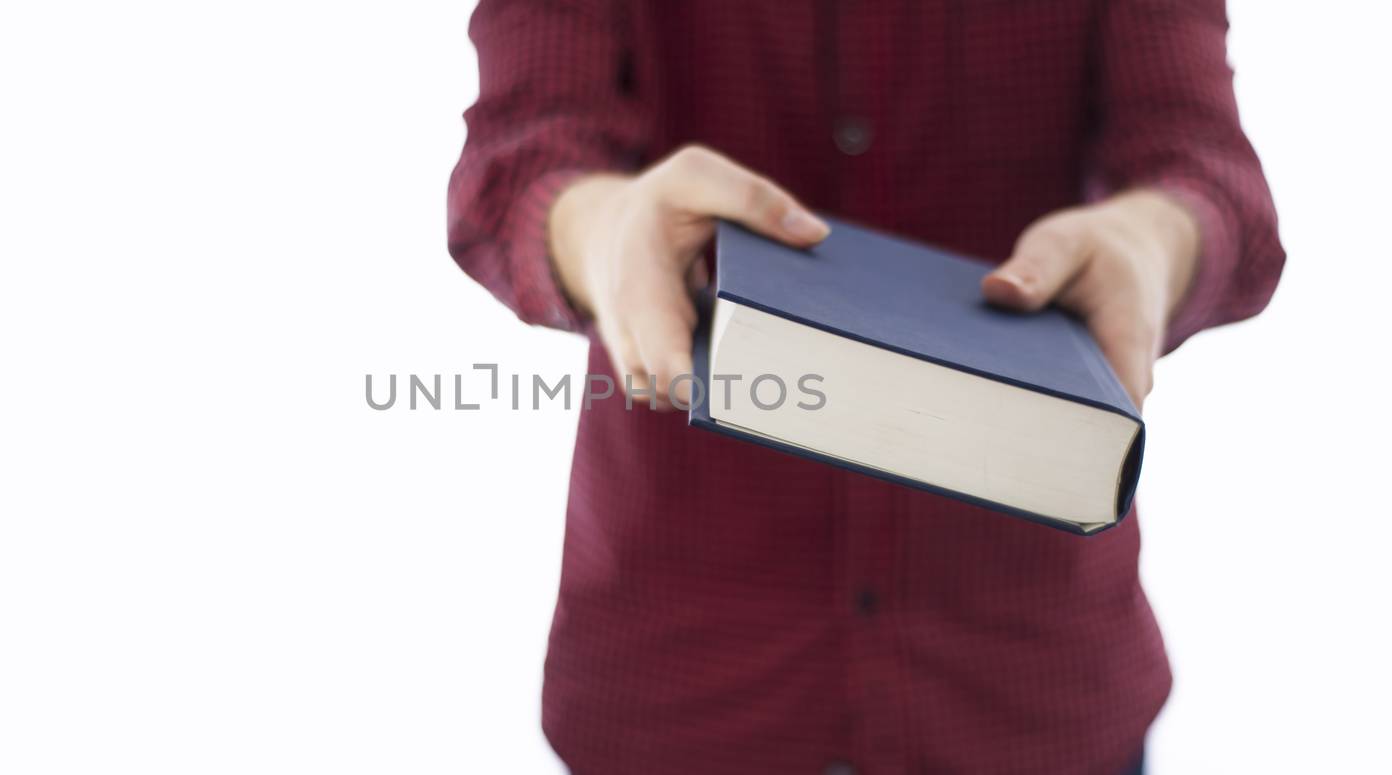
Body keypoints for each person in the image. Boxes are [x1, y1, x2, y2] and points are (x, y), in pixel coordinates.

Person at [447, 1, 1284, 772]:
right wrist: (597, 231)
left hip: (1033, 690)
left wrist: (1157, 241)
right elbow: (522, 151)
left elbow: (1207, 169)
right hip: (679, 681)